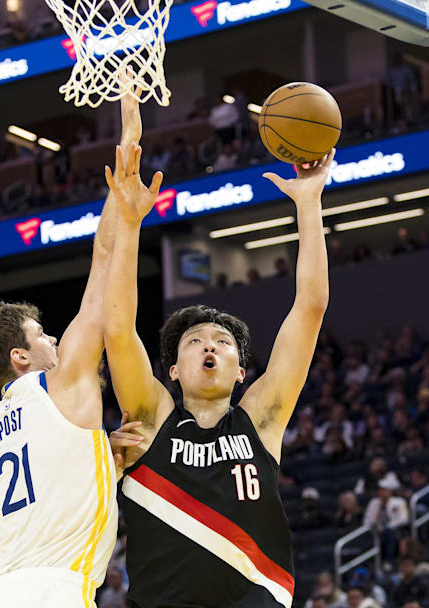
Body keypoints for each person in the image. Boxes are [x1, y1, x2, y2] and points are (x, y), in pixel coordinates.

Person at [102, 120, 334, 606]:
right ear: (173, 370)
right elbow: (118, 330)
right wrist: (129, 223)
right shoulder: (149, 419)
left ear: (242, 371)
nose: (209, 347)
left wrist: (309, 205)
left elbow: (309, 309)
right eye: (195, 341)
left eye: (222, 341)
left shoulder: (262, 419)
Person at [0, 92, 146, 608]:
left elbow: (51, 475)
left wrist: (101, 459)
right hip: (51, 593)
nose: (55, 340)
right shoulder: (60, 381)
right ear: (20, 358)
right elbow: (104, 259)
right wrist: (128, 146)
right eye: (41, 334)